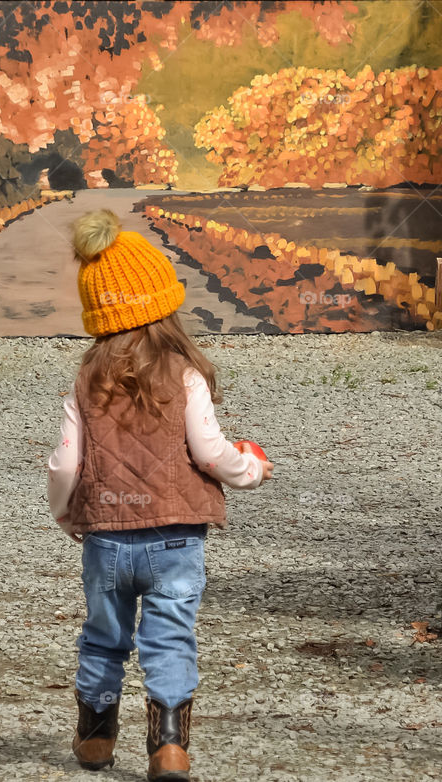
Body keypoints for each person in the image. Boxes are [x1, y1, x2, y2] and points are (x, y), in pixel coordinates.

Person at [47, 210, 273, 779]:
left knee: (104, 635)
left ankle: (96, 738)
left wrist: (65, 510)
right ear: (163, 305)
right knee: (169, 638)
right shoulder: (185, 375)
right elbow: (210, 453)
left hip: (105, 537)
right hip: (175, 539)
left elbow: (66, 461)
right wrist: (249, 470)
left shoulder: (87, 378)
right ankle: (168, 747)